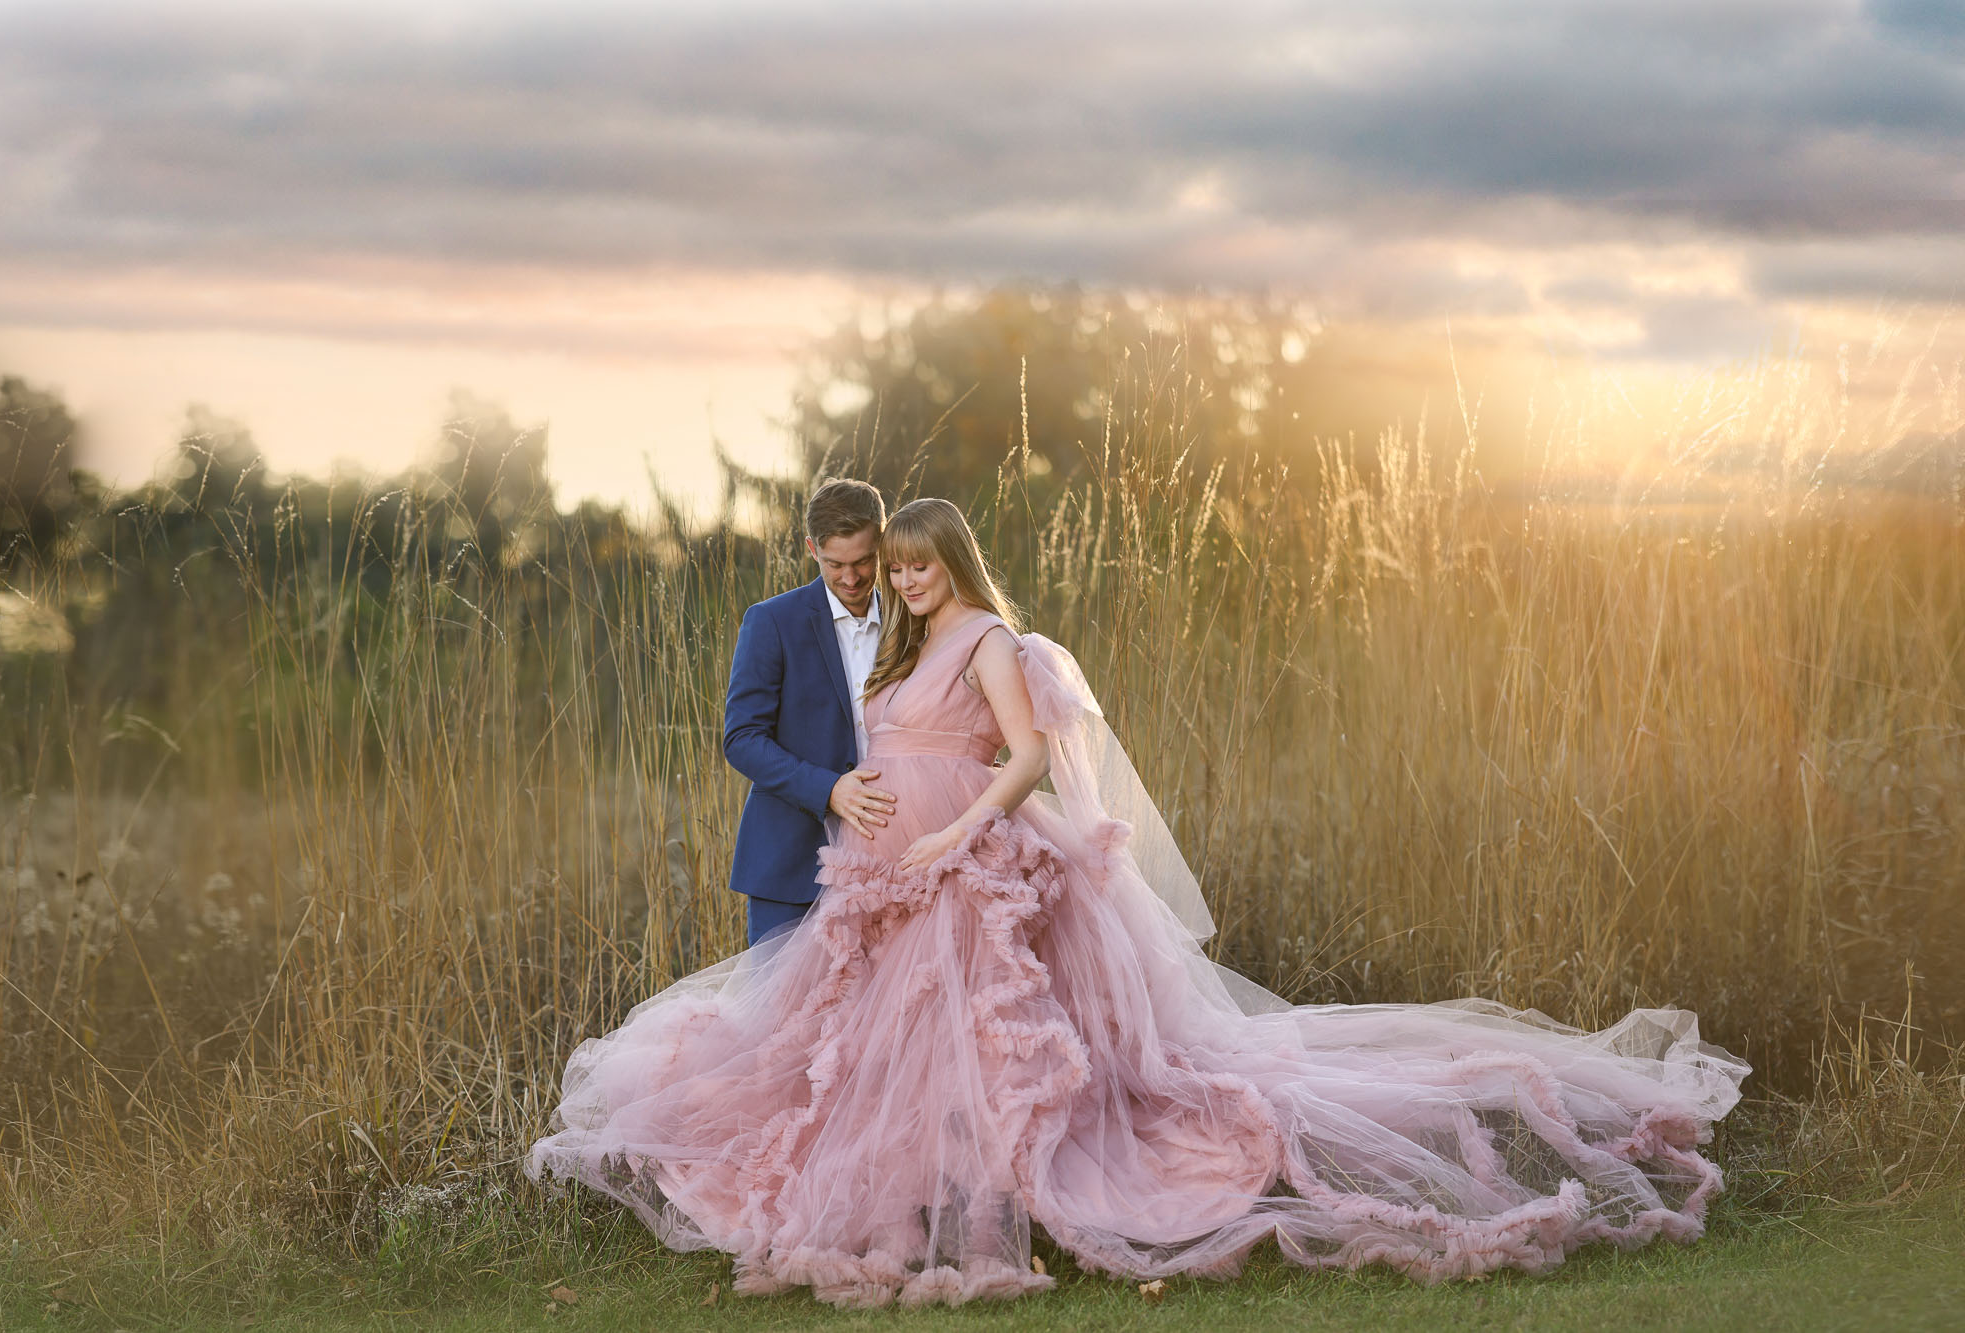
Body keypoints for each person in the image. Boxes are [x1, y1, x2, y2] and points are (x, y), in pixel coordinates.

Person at [529, 498, 1749, 1310]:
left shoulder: (992, 639)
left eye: (915, 563)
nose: (899, 581)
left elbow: (1015, 758)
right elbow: (821, 736)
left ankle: (1020, 1195)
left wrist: (961, 825)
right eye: (888, 568)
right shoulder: (893, 645)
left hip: (969, 859)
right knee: (871, 1048)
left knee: (1002, 1035)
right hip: (886, 868)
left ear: (949, 562)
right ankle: (933, 1191)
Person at [721, 478, 899, 946]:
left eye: (864, 561)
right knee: (781, 1019)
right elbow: (741, 739)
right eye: (835, 564)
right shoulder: (771, 621)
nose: (852, 578)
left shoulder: (913, 621)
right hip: (792, 864)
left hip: (895, 860)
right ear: (811, 549)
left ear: (883, 544)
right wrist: (829, 790)